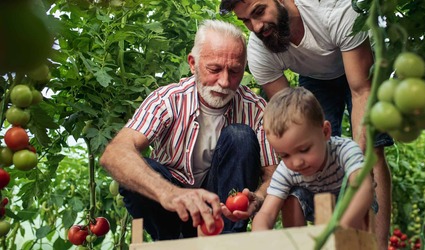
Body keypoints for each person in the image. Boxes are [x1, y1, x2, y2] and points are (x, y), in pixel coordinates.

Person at [219, 0, 393, 248]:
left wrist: (358, 164)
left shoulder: (335, 10)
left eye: (259, 11)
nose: (255, 27)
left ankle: (379, 245)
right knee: (308, 155)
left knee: (371, 151)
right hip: (316, 76)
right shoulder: (259, 50)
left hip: (358, 62)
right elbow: (288, 116)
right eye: (246, 20)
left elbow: (360, 90)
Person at [99, 20, 278, 241]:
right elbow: (114, 154)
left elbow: (273, 175)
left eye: (234, 71)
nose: (224, 82)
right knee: (138, 167)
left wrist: (258, 197)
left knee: (240, 136)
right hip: (171, 212)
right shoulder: (167, 100)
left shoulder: (256, 108)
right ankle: (170, 241)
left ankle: (228, 242)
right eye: (214, 69)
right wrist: (171, 194)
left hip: (224, 211)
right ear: (193, 64)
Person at [252, 87, 373, 231]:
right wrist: (260, 237)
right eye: (284, 155)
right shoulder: (286, 171)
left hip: (352, 208)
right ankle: (299, 243)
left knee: (359, 196)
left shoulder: (345, 150)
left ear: (325, 132)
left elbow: (365, 189)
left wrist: (342, 227)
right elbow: (266, 214)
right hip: (315, 205)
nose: (297, 163)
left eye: (304, 150)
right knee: (291, 197)